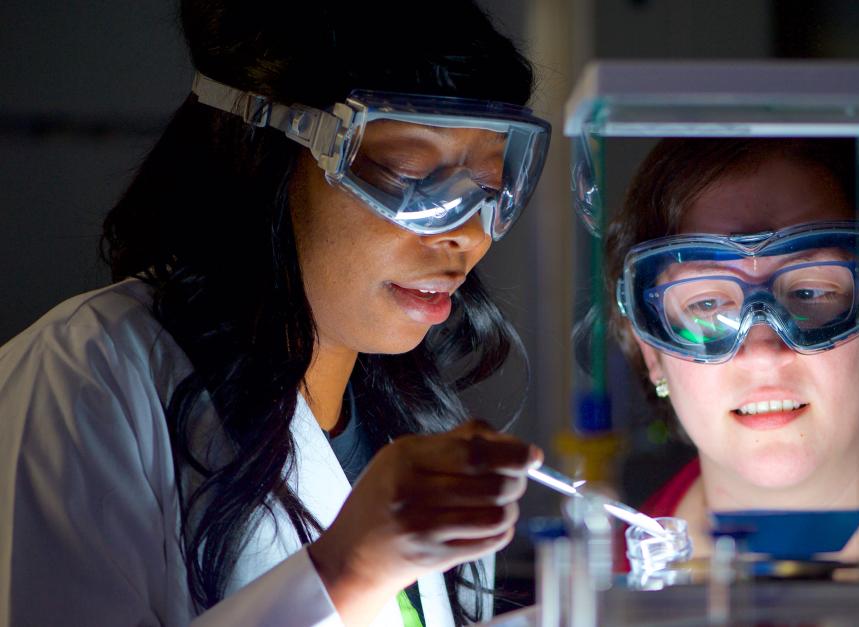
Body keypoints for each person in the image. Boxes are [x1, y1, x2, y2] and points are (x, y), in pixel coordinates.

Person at [0, 2, 550, 626]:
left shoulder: (412, 420)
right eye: (410, 175)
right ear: (261, 155)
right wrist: (349, 569)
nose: (466, 237)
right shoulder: (85, 373)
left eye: (487, 186)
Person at [605, 138, 859, 564]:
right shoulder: (606, 594)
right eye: (707, 304)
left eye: (810, 292)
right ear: (652, 353)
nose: (763, 354)